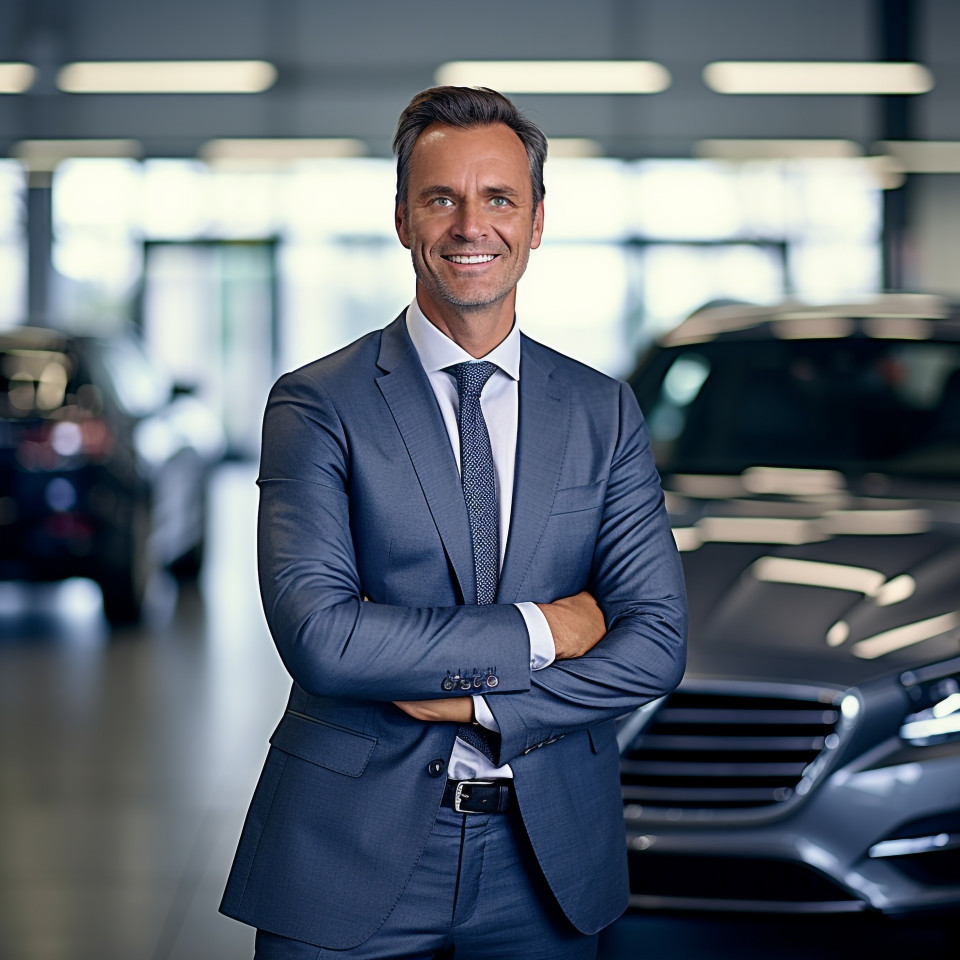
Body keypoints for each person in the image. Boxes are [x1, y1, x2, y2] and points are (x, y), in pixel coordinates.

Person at [220, 85, 687, 960]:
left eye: (500, 198)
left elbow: (656, 644)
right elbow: (325, 639)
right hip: (345, 854)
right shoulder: (318, 403)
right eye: (442, 198)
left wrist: (474, 698)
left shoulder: (602, 411)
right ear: (403, 218)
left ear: (537, 219)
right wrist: (545, 629)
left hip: (544, 861)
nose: (472, 225)